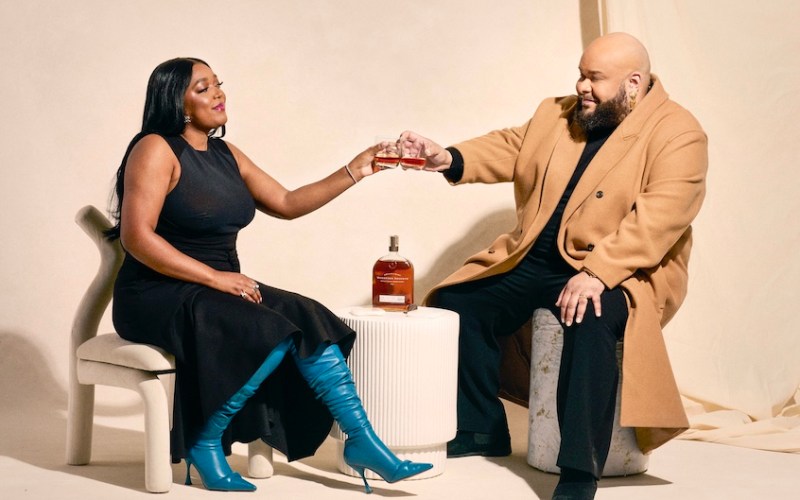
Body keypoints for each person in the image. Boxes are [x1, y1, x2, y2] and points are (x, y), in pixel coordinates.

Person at [399, 32, 707, 500]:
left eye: (595, 78)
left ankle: (580, 470)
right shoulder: (558, 112)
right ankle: (480, 427)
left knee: (591, 317)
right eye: (581, 75)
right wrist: (448, 157)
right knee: (461, 301)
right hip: (535, 258)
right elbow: (512, 146)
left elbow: (661, 217)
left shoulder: (679, 132)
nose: (582, 86)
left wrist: (598, 273)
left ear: (633, 83)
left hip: (623, 270)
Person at [106, 57, 431, 493]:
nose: (218, 94)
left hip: (217, 291)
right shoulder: (155, 148)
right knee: (268, 331)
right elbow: (137, 238)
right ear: (177, 102)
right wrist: (215, 278)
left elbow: (287, 202)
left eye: (218, 83)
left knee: (309, 318)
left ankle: (362, 441)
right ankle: (205, 441)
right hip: (157, 294)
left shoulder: (226, 154)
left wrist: (358, 169)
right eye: (202, 88)